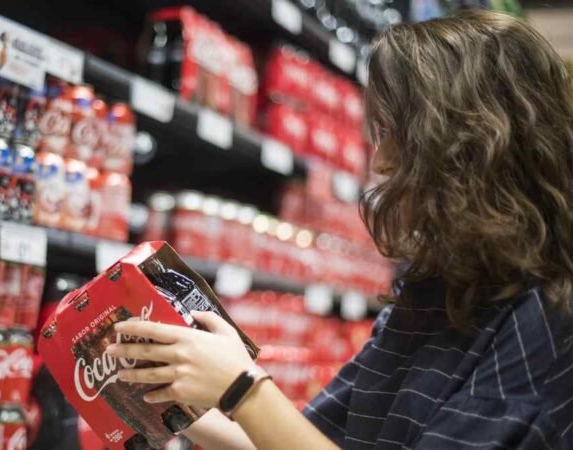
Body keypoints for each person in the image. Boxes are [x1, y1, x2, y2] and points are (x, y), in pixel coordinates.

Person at [107, 9, 573, 450]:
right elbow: (305, 440)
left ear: (475, 147)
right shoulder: (432, 292)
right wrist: (166, 394)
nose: (381, 161)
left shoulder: (545, 324)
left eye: (399, 134)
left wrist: (242, 389)